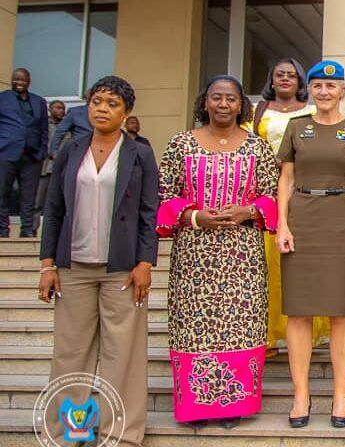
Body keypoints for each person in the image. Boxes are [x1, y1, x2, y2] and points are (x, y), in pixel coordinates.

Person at [37, 76, 158, 447]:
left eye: (112, 103)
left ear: (126, 112)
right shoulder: (71, 151)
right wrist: (47, 265)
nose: (102, 109)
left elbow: (148, 212)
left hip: (121, 268)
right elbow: (54, 210)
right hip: (73, 267)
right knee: (70, 353)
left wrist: (145, 263)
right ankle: (70, 432)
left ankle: (120, 433)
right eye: (97, 101)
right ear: (87, 106)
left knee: (123, 355)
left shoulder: (140, 154)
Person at [156, 75, 279, 429]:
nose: (224, 104)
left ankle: (233, 404)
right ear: (205, 102)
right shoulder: (181, 144)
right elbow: (165, 195)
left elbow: (271, 195)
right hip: (194, 252)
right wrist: (195, 216)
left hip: (242, 254)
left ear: (242, 105)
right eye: (217, 97)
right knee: (194, 327)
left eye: (231, 99)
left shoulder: (257, 147)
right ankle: (197, 407)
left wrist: (249, 211)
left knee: (240, 325)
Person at [276, 60, 345, 429]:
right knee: (298, 311)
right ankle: (301, 394)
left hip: (342, 220)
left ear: (343, 90)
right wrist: (282, 224)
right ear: (311, 90)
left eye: (332, 87)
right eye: (318, 86)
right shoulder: (297, 128)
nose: (325, 92)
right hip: (302, 218)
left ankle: (340, 395)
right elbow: (285, 179)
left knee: (341, 312)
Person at [247, 58, 324, 355]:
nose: (285, 79)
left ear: (300, 81)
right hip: (266, 193)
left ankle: (302, 333)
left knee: (301, 264)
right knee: (268, 266)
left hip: (303, 192)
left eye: (291, 75)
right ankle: (267, 336)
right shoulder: (257, 112)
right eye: (279, 74)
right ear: (271, 79)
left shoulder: (313, 111)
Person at [0, 68, 48, 238]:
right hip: (6, 153)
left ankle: (27, 231)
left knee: (29, 197)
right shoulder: (2, 98)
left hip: (32, 156)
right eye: (16, 79)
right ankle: (2, 231)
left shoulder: (39, 101)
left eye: (22, 80)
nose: (18, 82)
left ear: (29, 81)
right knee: (2, 194)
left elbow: (44, 129)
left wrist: (43, 151)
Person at [35, 99, 65, 229]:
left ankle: (52, 231)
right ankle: (31, 229)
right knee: (37, 202)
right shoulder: (43, 125)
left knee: (56, 203)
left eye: (63, 108)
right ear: (50, 109)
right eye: (58, 108)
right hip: (44, 168)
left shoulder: (67, 127)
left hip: (61, 170)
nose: (61, 111)